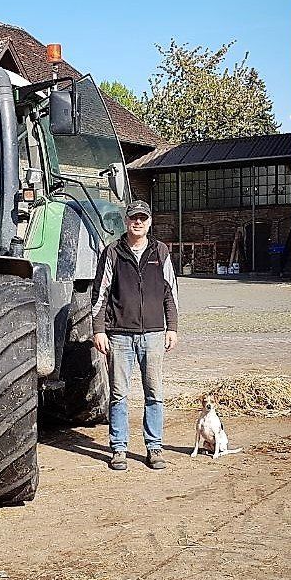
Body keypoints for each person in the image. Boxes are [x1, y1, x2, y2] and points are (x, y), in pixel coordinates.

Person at [90, 200, 179, 470]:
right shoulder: (113, 252)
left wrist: (172, 327)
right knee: (118, 394)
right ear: (126, 221)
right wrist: (99, 330)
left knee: (154, 393)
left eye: (143, 218)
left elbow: (170, 291)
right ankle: (119, 448)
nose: (138, 222)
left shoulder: (160, 251)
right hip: (119, 336)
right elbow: (100, 294)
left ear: (150, 222)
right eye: (133, 218)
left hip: (153, 334)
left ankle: (154, 447)